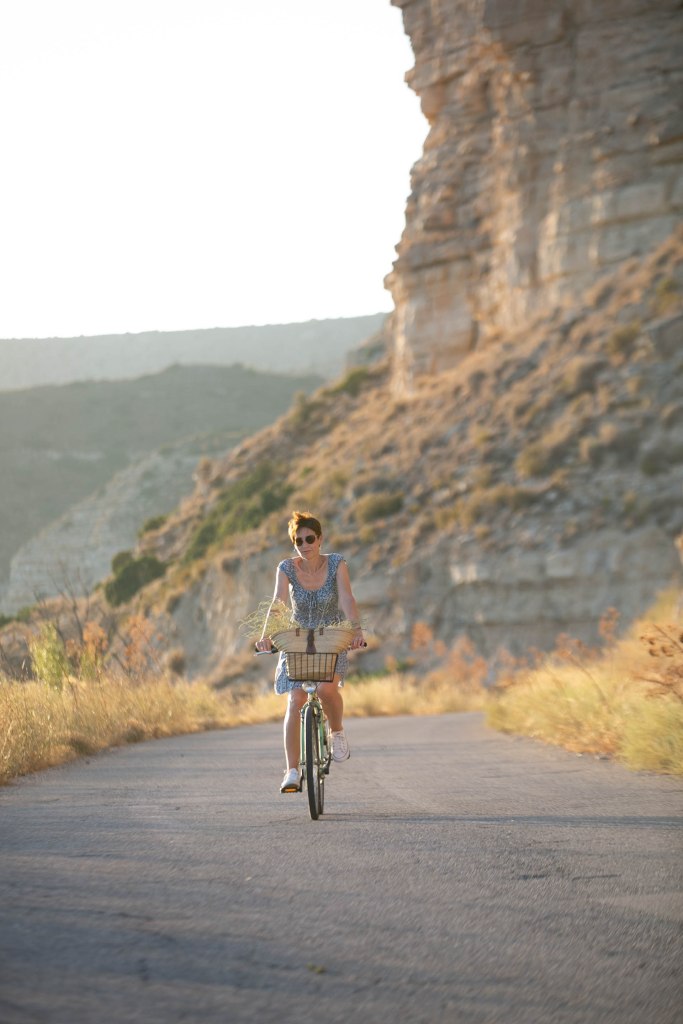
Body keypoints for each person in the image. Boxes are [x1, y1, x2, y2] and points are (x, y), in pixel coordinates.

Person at [255, 510, 365, 793]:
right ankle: (292, 772)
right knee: (296, 699)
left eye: (309, 539)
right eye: (298, 541)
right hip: (298, 639)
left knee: (327, 690)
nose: (304, 545)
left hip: (331, 637)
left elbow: (347, 598)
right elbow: (278, 604)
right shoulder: (286, 568)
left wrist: (356, 631)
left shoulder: (337, 563)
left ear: (320, 539)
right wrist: (266, 636)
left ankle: (337, 732)